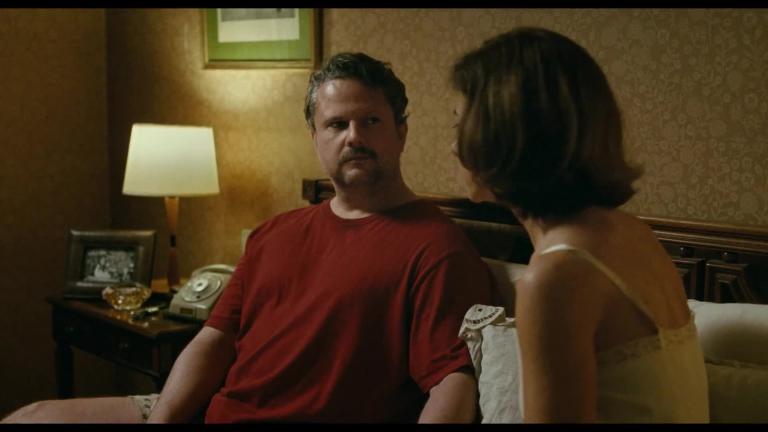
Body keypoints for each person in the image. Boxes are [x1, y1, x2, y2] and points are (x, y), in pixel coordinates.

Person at [2, 52, 493, 423]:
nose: (353, 137)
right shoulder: (275, 232)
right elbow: (214, 340)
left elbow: (451, 383)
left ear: (401, 132)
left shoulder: (437, 247)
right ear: (315, 137)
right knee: (30, 416)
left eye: (370, 121)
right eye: (336, 124)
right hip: (214, 411)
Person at [449, 27, 709, 423]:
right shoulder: (628, 232)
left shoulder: (557, 276)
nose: (453, 147)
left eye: (459, 126)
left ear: (503, 136)